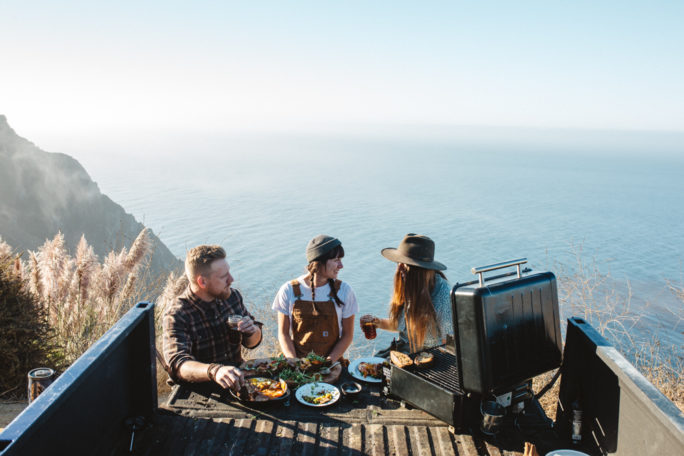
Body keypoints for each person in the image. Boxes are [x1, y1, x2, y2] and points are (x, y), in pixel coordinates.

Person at [162, 245, 263, 390]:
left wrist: (252, 331)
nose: (231, 279)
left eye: (229, 273)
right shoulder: (177, 314)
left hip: (238, 381)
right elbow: (178, 364)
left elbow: (252, 343)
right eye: (223, 276)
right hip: (200, 392)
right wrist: (214, 371)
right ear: (202, 282)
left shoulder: (232, 296)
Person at [362, 233, 452, 355]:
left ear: (419, 270)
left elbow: (450, 339)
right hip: (403, 350)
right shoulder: (408, 284)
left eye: (405, 264)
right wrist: (378, 323)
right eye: (399, 263)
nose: (399, 268)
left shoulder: (442, 293)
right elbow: (402, 327)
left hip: (429, 355)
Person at [272, 235, 358, 361]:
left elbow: (347, 335)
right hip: (297, 364)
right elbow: (283, 334)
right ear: (319, 262)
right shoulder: (289, 290)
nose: (341, 265)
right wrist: (293, 361)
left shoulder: (345, 291)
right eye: (336, 260)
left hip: (331, 364)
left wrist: (328, 362)